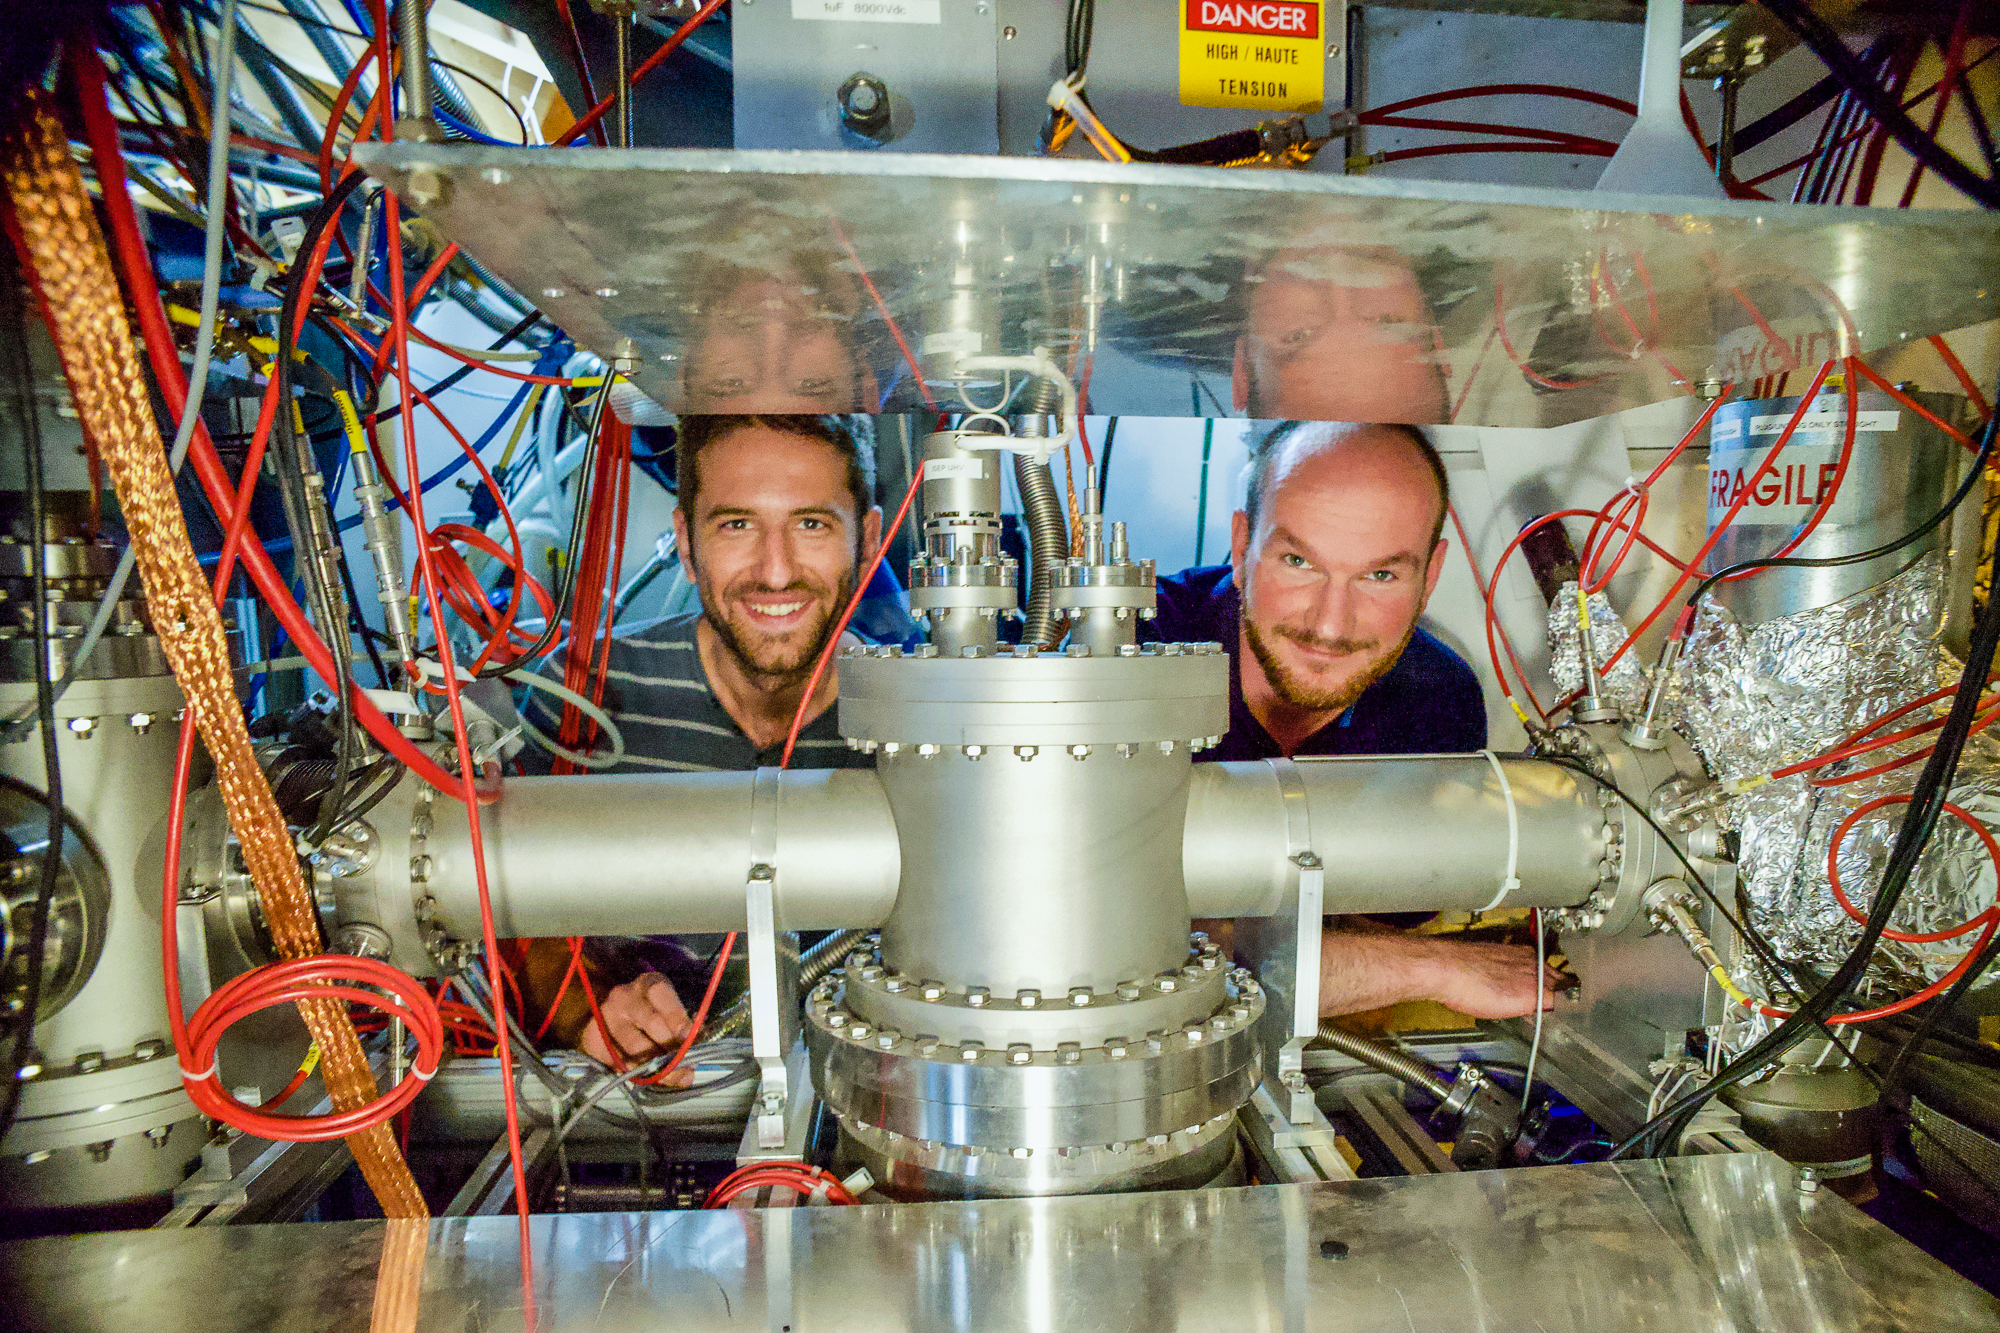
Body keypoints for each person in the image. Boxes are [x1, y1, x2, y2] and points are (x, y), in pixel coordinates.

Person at [1150, 419, 1558, 1019]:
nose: (1331, 624)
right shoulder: (1138, 653)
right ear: (1242, 547)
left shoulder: (1436, 702)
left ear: (1430, 577)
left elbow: (1372, 926)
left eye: (1379, 575)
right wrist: (1428, 968)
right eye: (1298, 561)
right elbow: (1127, 954)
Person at [518, 414, 884, 1067]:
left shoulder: (919, 725)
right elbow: (508, 912)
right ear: (685, 542)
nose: (776, 572)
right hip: (637, 1117)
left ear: (871, 539)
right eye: (737, 524)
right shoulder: (587, 694)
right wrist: (587, 1011)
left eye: (812, 524)